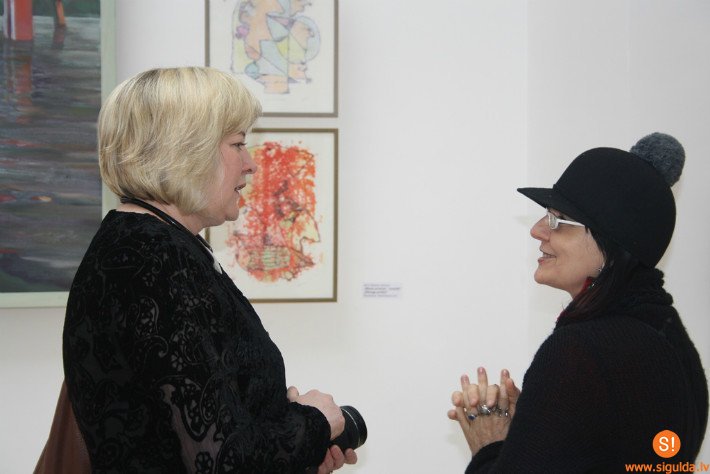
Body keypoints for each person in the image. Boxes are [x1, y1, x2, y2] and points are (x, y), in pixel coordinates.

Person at [62, 67, 357, 473]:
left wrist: (297, 444)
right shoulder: (154, 258)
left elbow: (201, 424)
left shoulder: (149, 244)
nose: (251, 164)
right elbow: (222, 461)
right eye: (238, 144)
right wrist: (317, 421)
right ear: (187, 150)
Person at [448, 133, 708, 472]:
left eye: (558, 220)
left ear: (611, 241)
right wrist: (538, 426)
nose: (538, 230)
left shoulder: (580, 352)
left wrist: (490, 444)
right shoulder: (674, 341)